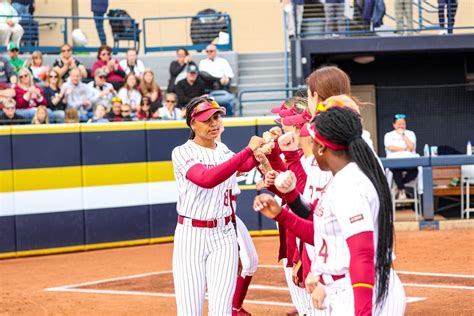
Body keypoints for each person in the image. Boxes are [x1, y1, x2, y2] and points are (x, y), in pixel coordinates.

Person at [254, 106, 406, 316]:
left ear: (323, 148)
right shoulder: (341, 178)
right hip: (344, 289)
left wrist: (363, 312)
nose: (309, 149)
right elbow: (321, 231)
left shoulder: (350, 184)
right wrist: (282, 213)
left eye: (312, 142)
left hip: (360, 292)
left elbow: (362, 254)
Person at [171, 96, 264, 315]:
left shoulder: (222, 150)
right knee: (189, 310)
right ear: (192, 123)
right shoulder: (182, 152)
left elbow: (243, 165)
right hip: (191, 235)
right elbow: (206, 178)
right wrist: (248, 152)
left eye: (217, 117)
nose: (214, 123)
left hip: (223, 235)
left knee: (221, 309)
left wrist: (265, 149)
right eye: (207, 119)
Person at [384, 114, 418, 200]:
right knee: (396, 170)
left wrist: (403, 135)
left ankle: (399, 187)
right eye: (399, 124)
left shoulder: (410, 133)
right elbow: (390, 147)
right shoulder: (388, 135)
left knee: (415, 171)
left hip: (409, 161)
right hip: (394, 161)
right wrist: (403, 148)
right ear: (394, 125)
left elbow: (411, 147)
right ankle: (402, 190)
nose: (401, 126)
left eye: (403, 124)